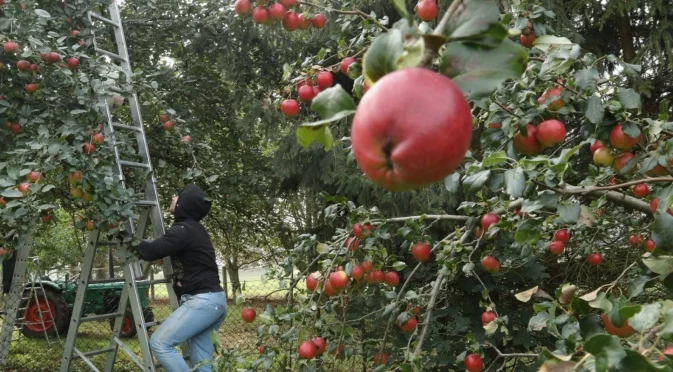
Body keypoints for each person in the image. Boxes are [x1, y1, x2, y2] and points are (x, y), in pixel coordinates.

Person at [131, 184, 226, 372]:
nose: (174, 197)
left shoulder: (183, 229)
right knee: (202, 364)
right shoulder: (195, 229)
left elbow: (150, 251)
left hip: (203, 301)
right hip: (215, 301)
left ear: (185, 204)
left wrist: (124, 236)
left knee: (160, 343)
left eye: (178, 196)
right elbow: (189, 255)